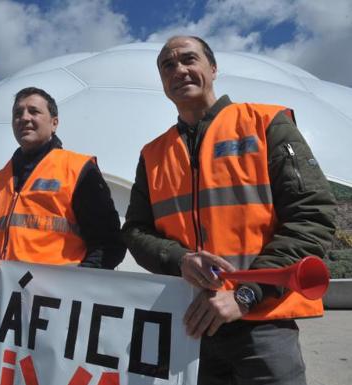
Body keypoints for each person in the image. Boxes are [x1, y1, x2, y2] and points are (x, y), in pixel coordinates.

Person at [122, 35, 336, 384]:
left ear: (213, 67)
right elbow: (134, 231)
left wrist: (247, 294)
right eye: (168, 65)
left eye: (189, 59)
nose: (179, 70)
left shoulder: (266, 124)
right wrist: (179, 259)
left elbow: (311, 215)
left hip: (262, 326)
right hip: (189, 325)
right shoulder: (153, 154)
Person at [0, 86, 125, 268]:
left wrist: (79, 282)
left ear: (54, 123)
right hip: (4, 291)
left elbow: (109, 243)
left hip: (55, 294)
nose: (24, 118)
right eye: (18, 113)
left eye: (34, 111)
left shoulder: (78, 170)